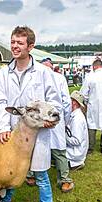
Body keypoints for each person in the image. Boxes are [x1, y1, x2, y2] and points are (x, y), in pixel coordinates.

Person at [0, 26, 61, 202]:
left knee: (40, 174)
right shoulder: (4, 73)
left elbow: (54, 101)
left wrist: (51, 120)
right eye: (13, 42)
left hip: (37, 133)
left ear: (30, 46)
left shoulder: (43, 73)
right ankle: (8, 199)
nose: (14, 46)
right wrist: (2, 127)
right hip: (15, 132)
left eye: (20, 43)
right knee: (11, 167)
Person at [27, 57, 74, 193]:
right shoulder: (35, 78)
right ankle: (31, 175)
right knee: (34, 147)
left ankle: (64, 179)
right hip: (39, 121)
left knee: (58, 149)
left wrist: (62, 120)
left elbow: (65, 102)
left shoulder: (59, 78)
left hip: (54, 119)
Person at [66, 91, 88, 171]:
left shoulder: (77, 119)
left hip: (76, 153)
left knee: (55, 150)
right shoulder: (75, 115)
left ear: (74, 102)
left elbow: (76, 141)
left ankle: (75, 164)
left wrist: (62, 137)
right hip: (76, 150)